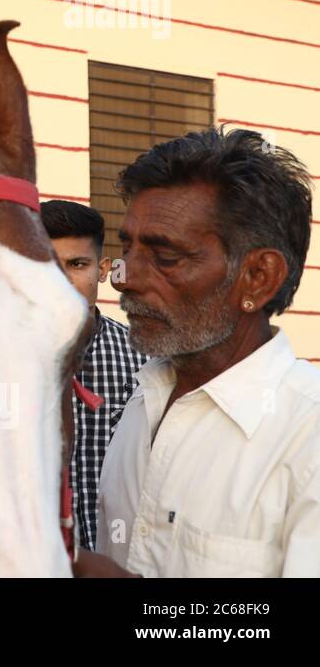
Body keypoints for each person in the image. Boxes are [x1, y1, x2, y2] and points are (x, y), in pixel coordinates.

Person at [83, 128, 319, 577]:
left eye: (166, 257)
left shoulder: (307, 437)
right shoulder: (143, 398)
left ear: (258, 278)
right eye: (126, 247)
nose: (122, 278)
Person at [39, 200, 144, 553]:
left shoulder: (144, 359)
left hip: (119, 563)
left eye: (76, 264)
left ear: (102, 269)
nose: (60, 281)